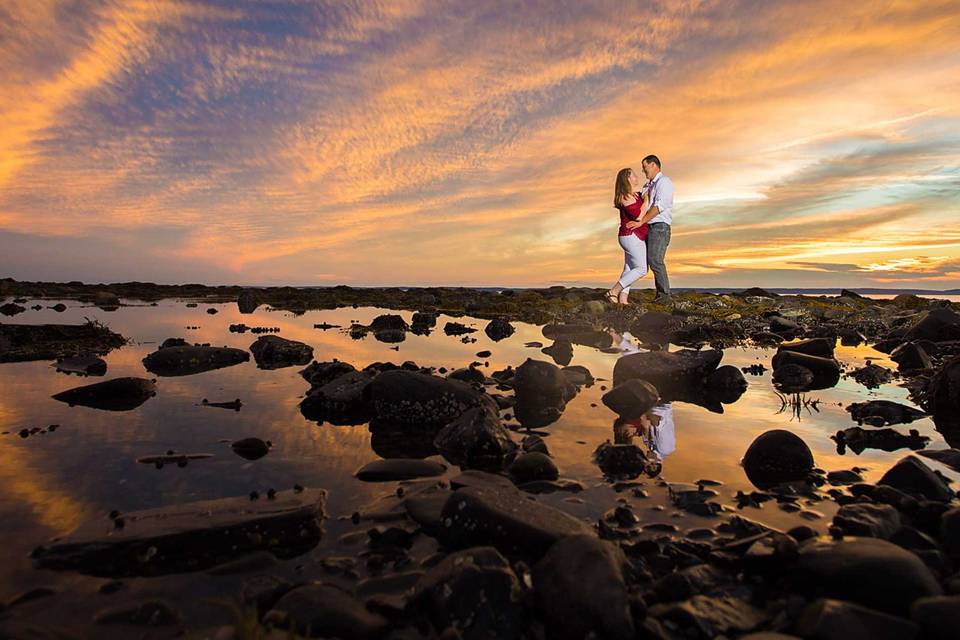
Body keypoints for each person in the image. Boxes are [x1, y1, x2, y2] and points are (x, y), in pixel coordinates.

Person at [604, 168, 651, 306]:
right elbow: (638, 216)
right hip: (631, 235)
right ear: (627, 179)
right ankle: (613, 291)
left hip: (634, 235)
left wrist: (645, 196)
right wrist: (646, 199)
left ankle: (623, 299)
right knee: (641, 269)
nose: (637, 176)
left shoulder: (635, 195)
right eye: (633, 175)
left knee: (630, 268)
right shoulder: (625, 197)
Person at [640, 155, 674, 302]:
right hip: (649, 226)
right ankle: (661, 294)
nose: (643, 171)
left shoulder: (664, 182)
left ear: (653, 165)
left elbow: (659, 206)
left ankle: (664, 295)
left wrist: (641, 221)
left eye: (645, 167)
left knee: (655, 260)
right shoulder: (648, 185)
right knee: (648, 261)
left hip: (659, 227)